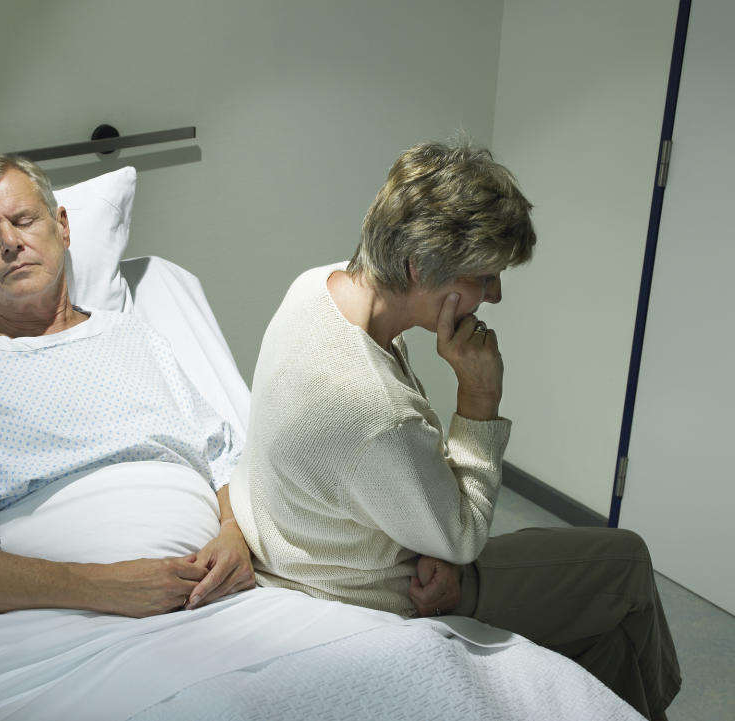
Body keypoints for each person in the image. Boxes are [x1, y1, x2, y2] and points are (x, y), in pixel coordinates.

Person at [228, 141, 680, 720]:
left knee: (611, 642)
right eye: (484, 277)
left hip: (329, 543)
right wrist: (479, 398)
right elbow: (462, 537)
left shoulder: (315, 288)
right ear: (419, 268)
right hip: (380, 587)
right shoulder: (374, 410)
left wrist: (430, 524)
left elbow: (389, 470)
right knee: (628, 562)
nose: (494, 295)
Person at [0, 155, 254, 617]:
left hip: (222, 598)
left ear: (63, 227)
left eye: (24, 220)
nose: (11, 242)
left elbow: (222, 459)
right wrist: (100, 587)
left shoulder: (134, 337)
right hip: (64, 618)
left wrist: (235, 537)